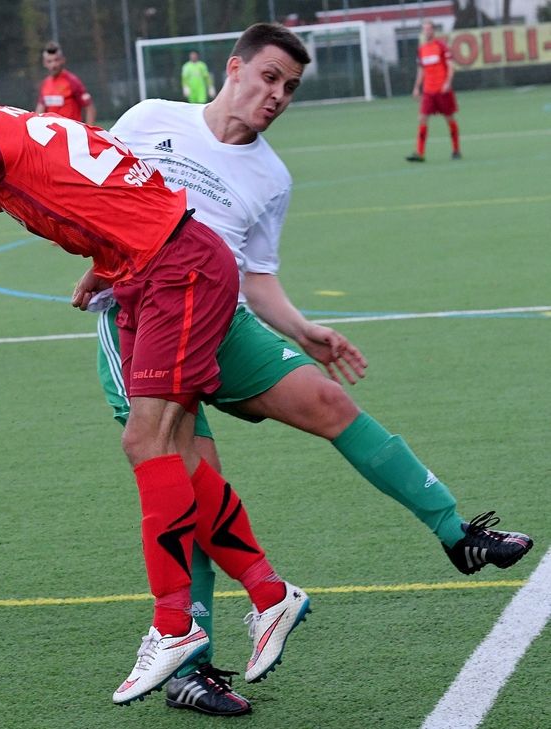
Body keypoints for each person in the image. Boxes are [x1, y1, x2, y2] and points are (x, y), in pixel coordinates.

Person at [90, 22, 532, 714]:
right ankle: (191, 664)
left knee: (330, 402)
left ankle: (457, 532)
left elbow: (257, 275)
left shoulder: (271, 175)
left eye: (290, 87)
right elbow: (94, 194)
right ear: (233, 69)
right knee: (187, 481)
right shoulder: (150, 121)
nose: (278, 95)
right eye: (269, 77)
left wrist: (302, 328)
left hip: (224, 321)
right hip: (142, 322)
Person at [0, 52, 307, 707]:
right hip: (145, 271)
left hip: (176, 269)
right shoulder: (29, 125)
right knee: (169, 448)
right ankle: (268, 593)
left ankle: (174, 626)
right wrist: (105, 258)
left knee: (146, 440)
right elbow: (103, 189)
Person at [406, 20, 461, 162]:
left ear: (433, 30)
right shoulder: (422, 49)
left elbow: (450, 66)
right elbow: (421, 70)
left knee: (449, 118)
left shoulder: (441, 46)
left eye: (429, 29)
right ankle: (420, 153)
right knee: (422, 118)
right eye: (425, 29)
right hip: (428, 91)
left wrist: (448, 82)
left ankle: (456, 150)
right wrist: (416, 87)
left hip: (442, 90)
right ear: (423, 32)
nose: (427, 31)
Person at [33, 41, 96, 125]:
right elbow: (40, 108)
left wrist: (89, 131)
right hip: (53, 133)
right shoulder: (45, 83)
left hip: (71, 133)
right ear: (44, 63)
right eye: (49, 61)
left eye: (56, 60)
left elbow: (89, 108)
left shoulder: (72, 81)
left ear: (63, 60)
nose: (53, 65)